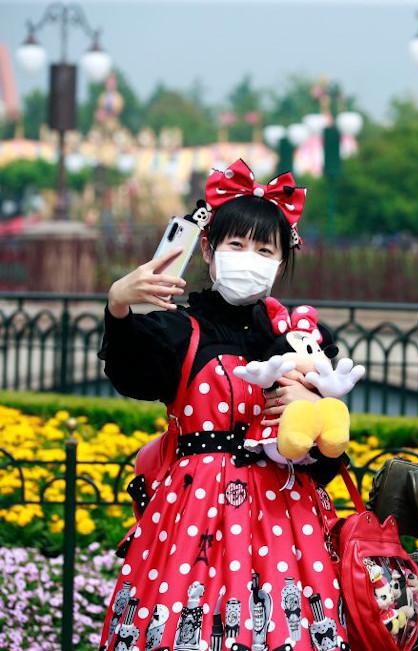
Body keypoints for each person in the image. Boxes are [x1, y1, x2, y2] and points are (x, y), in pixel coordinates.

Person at [97, 159, 355, 651]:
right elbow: (129, 374)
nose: (248, 257)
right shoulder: (179, 329)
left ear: (282, 261)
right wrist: (118, 304)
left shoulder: (300, 339)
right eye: (236, 244)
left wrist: (310, 403)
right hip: (193, 515)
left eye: (264, 248)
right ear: (209, 251)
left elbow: (327, 460)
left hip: (286, 518)